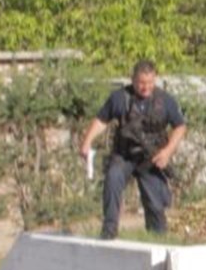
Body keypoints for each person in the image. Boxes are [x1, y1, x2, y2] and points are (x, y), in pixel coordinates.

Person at [79, 60, 187, 239]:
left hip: (151, 158)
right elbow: (101, 120)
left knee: (155, 205)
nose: (146, 87)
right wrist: (87, 142)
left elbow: (180, 127)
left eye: (150, 82)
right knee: (113, 178)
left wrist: (167, 152)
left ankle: (157, 239)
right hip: (124, 155)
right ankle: (109, 231)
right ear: (133, 79)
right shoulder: (119, 98)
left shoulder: (165, 100)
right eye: (141, 83)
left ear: (155, 79)